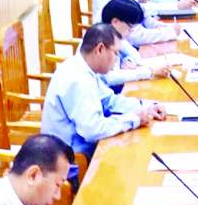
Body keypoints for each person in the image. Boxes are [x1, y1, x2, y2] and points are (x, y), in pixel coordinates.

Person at [40, 24, 164, 165]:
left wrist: (147, 106)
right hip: (69, 160)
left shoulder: (84, 68)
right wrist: (134, 119)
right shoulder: (78, 79)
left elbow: (109, 101)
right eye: (116, 53)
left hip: (84, 147)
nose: (117, 59)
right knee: (135, 158)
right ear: (100, 49)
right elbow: (93, 130)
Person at [97, 0, 169, 89]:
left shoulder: (116, 37)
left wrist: (127, 60)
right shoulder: (101, 41)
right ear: (115, 22)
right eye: (130, 27)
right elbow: (111, 78)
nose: (131, 31)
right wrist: (150, 72)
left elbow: (135, 55)